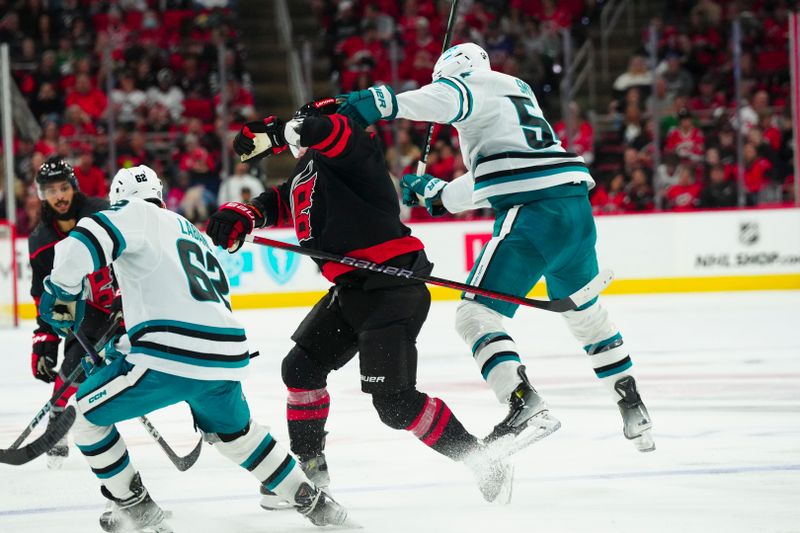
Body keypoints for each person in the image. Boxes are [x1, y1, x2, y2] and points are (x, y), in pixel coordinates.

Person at [337, 42, 655, 453]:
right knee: (586, 315)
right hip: (574, 211)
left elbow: (447, 99)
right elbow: (501, 170)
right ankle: (631, 403)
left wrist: (380, 103)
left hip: (534, 216)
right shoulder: (515, 91)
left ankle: (523, 404)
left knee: (475, 313)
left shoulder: (470, 83)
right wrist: (440, 194)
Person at [205, 99, 513, 508]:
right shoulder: (308, 172)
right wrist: (244, 213)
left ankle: (483, 461)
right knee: (300, 368)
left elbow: (331, 132)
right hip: (352, 292)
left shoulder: (355, 149)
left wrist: (282, 132)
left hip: (391, 288)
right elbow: (280, 201)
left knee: (395, 404)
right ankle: (310, 470)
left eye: (306, 124)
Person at [37, 165, 347, 531]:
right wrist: (122, 345)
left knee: (85, 419)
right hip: (225, 357)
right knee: (240, 438)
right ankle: (313, 502)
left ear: (118, 199)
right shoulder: (187, 230)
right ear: (161, 194)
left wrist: (62, 293)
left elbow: (81, 242)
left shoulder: (131, 213)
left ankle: (133, 507)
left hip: (170, 354)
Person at [27, 157, 118, 469]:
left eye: (63, 188)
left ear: (74, 187)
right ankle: (57, 422)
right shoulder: (40, 241)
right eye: (50, 191)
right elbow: (45, 298)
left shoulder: (102, 213)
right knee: (72, 368)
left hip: (130, 305)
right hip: (88, 313)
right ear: (42, 196)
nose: (59, 196)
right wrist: (45, 341)